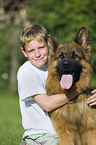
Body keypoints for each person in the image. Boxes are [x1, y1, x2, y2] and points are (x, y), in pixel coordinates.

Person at [17, 24, 96, 145]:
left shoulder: (48, 64)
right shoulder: (27, 71)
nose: (37, 54)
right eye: (31, 50)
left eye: (41, 47)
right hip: (41, 136)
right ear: (24, 52)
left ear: (48, 48)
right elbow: (48, 105)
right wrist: (80, 90)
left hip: (54, 134)